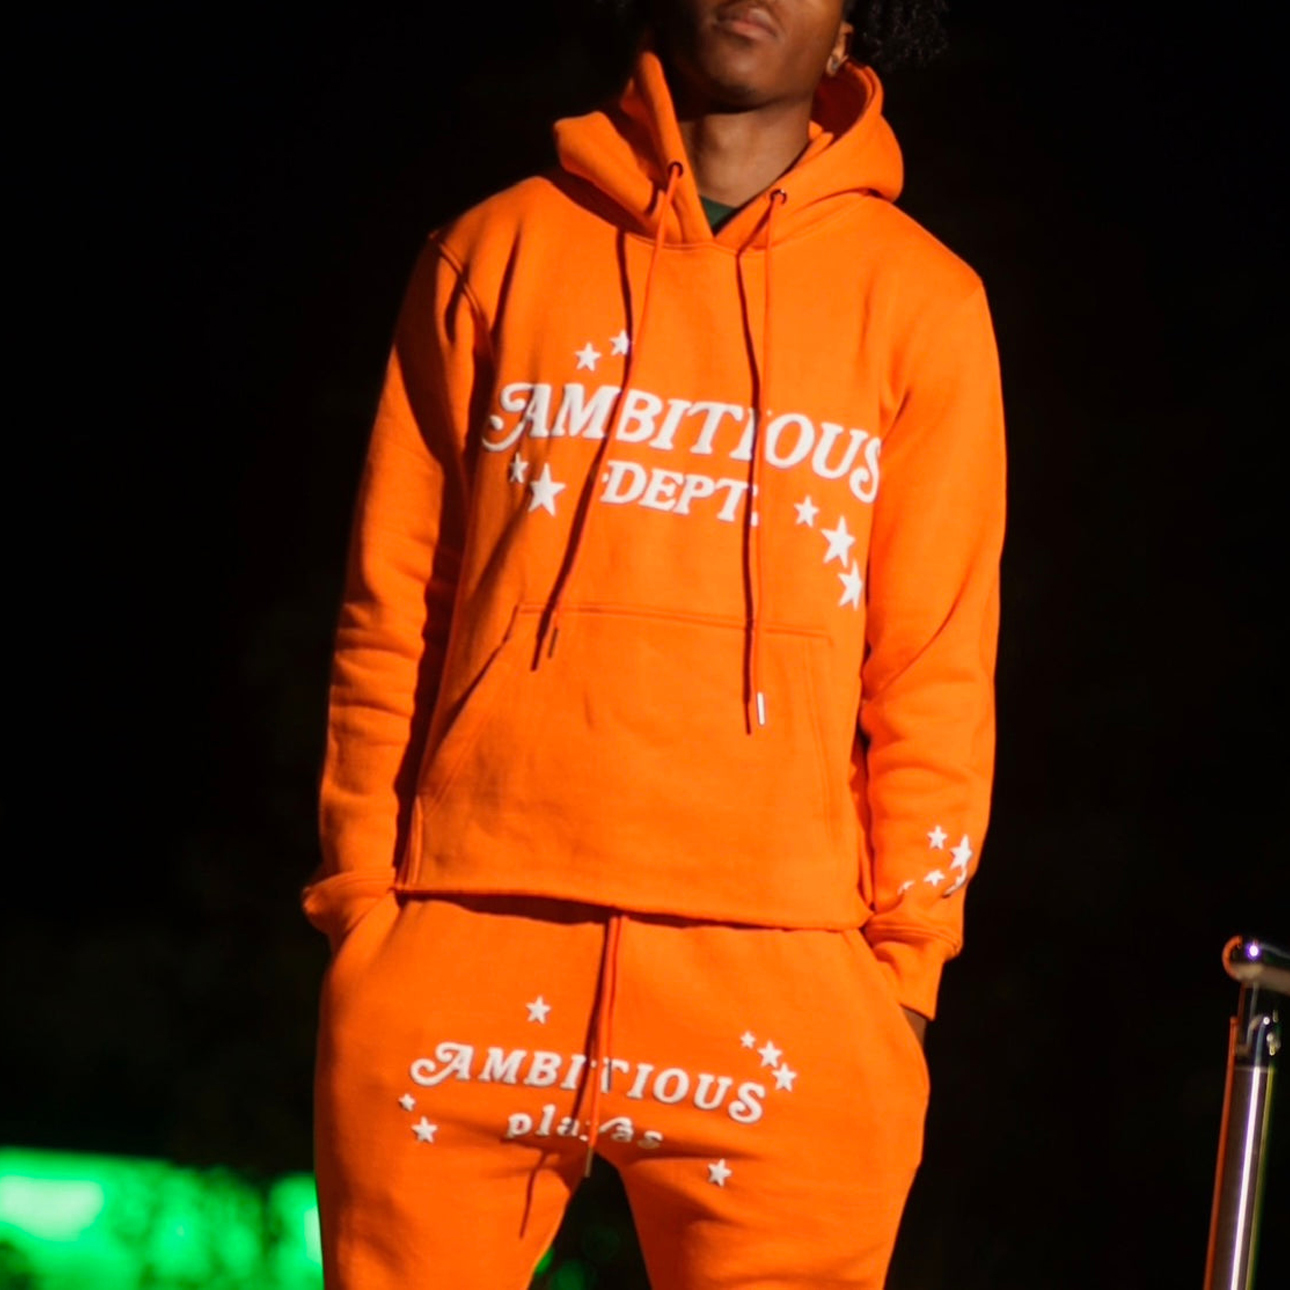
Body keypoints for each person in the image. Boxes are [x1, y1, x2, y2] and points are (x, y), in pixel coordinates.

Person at [303, 0, 1005, 1285]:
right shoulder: (492, 251)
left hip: (785, 976)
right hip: (466, 939)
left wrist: (902, 976)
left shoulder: (923, 301)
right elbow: (393, 603)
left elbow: (935, 664)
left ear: (856, 25)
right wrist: (365, 904)